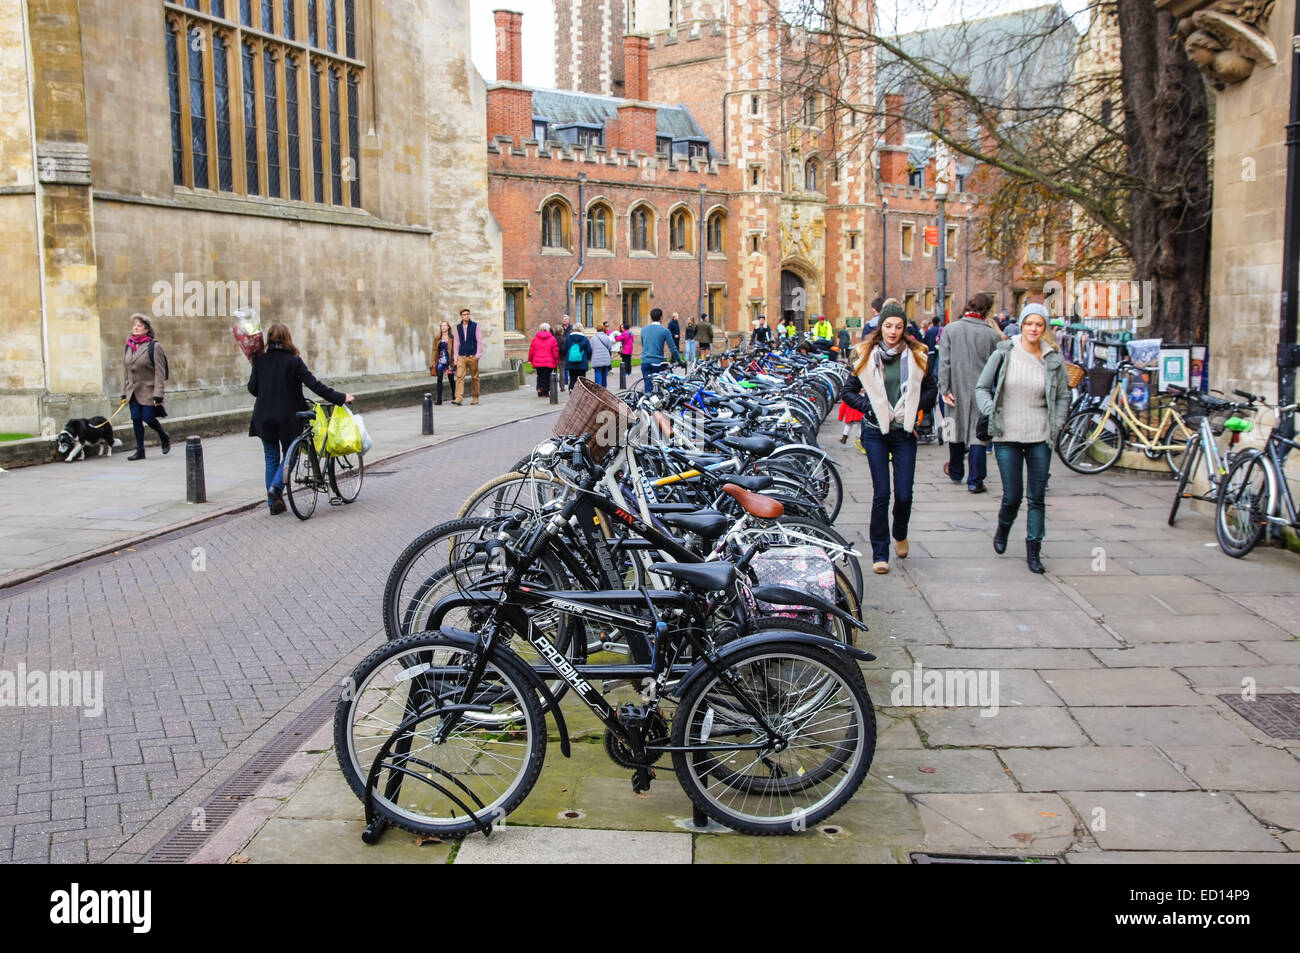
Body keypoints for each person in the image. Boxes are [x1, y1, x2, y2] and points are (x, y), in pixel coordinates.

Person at [839, 304, 937, 574]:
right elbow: (847, 392)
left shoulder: (918, 355)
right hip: (875, 432)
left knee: (904, 494)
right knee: (882, 494)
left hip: (904, 432)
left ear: (904, 329)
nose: (893, 331)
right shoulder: (865, 354)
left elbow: (932, 391)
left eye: (898, 326)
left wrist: (916, 407)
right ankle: (880, 553)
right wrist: (870, 406)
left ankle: (900, 532)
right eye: (888, 326)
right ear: (880, 327)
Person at [976, 303, 1071, 573]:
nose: (1033, 329)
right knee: (1013, 495)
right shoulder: (1005, 352)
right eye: (1029, 323)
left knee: (1037, 496)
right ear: (1023, 325)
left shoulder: (1052, 359)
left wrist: (1059, 422)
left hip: (1040, 434)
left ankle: (1034, 550)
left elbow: (1063, 395)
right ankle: (1003, 527)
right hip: (1008, 434)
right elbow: (982, 387)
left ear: (1044, 328)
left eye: (1038, 324)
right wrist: (989, 409)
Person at [248, 323, 354, 514]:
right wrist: (340, 397)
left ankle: (274, 505)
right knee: (292, 454)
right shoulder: (293, 361)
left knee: (271, 458)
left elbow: (253, 389)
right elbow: (315, 385)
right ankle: (276, 489)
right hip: (288, 417)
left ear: (269, 339)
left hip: (264, 417)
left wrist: (256, 368)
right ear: (288, 338)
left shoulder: (259, 360)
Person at [938, 292, 1003, 493]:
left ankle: (956, 470)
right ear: (988, 310)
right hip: (981, 390)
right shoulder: (992, 335)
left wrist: (944, 388)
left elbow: (944, 362)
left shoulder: (950, 329)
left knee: (953, 430)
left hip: (954, 387)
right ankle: (975, 480)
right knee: (979, 436)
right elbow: (997, 367)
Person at [121, 314, 171, 460]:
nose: (135, 328)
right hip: (133, 391)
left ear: (146, 329)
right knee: (136, 419)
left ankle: (163, 435)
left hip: (148, 390)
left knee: (148, 418)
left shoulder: (154, 346)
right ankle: (140, 450)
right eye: (134, 325)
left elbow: (160, 372)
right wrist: (124, 392)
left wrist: (158, 394)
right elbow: (126, 370)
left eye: (139, 326)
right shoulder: (129, 346)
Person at [640, 308, 680, 390]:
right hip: (658, 363)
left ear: (651, 318)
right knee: (659, 387)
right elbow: (673, 348)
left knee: (648, 386)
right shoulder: (665, 331)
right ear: (661, 317)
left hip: (645, 362)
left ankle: (647, 400)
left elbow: (644, 344)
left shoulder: (643, 330)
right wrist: (680, 361)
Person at [451, 308, 482, 405]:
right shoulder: (458, 327)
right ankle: (458, 398)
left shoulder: (475, 326)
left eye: (468, 314)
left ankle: (475, 397)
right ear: (461, 316)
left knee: (475, 377)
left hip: (472, 356)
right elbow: (456, 343)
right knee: (459, 377)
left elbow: (479, 341)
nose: (466, 316)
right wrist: (455, 357)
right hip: (461, 357)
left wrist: (477, 355)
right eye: (464, 314)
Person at [528, 322, 560, 397]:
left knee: (540, 376)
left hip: (538, 362)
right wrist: (557, 360)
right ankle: (545, 392)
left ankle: (539, 388)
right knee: (547, 377)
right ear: (548, 329)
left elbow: (531, 351)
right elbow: (555, 351)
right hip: (549, 362)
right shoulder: (552, 339)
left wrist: (530, 360)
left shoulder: (535, 339)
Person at [429, 320, 456, 406]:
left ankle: (454, 397)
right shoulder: (437, 337)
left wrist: (455, 360)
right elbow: (434, 350)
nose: (443, 327)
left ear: (448, 327)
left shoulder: (452, 337)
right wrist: (433, 362)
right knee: (439, 380)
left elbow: (455, 350)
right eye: (442, 326)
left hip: (449, 361)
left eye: (445, 325)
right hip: (440, 361)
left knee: (451, 380)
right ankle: (439, 400)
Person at [592, 321, 614, 388]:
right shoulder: (606, 337)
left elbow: (591, 348)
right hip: (605, 359)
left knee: (598, 373)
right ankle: (604, 388)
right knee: (604, 374)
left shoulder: (593, 338)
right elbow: (610, 348)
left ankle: (598, 387)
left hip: (596, 359)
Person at [556, 313, 573, 391]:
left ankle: (566, 381)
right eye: (563, 320)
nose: (564, 321)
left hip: (569, 348)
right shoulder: (560, 328)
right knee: (563, 368)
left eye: (565, 319)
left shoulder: (571, 328)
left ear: (568, 320)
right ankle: (564, 381)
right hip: (562, 349)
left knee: (566, 367)